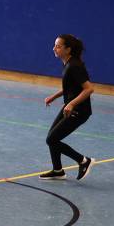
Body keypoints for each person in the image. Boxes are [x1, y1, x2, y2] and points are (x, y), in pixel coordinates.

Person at [41, 34, 94, 181]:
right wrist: (54, 96)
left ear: (68, 49)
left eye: (58, 46)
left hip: (79, 111)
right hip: (70, 106)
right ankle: (58, 170)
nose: (54, 48)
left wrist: (71, 104)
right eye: (55, 45)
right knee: (52, 137)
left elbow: (89, 89)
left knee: (52, 139)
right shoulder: (68, 63)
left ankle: (83, 161)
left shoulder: (74, 66)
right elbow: (70, 87)